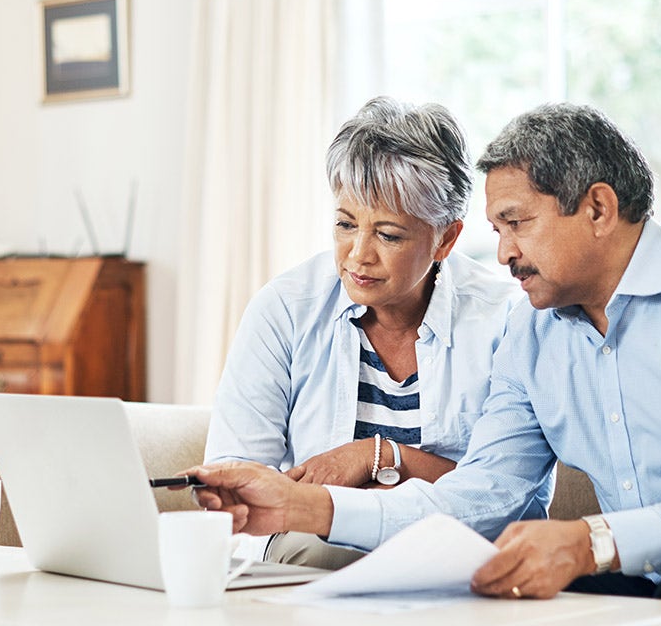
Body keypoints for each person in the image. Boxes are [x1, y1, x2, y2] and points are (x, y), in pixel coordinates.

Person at [187, 103, 661, 625]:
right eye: (498, 230)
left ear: (597, 208)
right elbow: (480, 498)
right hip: (653, 563)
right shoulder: (529, 333)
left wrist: (591, 541)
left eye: (517, 225)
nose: (501, 254)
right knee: (539, 605)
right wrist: (304, 506)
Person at [203, 96, 538, 570]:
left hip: (454, 556)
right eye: (344, 224)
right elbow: (237, 474)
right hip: (312, 555)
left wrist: (378, 455)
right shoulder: (285, 308)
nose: (358, 255)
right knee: (317, 551)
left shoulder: (505, 320)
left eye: (388, 235)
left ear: (445, 238)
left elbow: (504, 496)